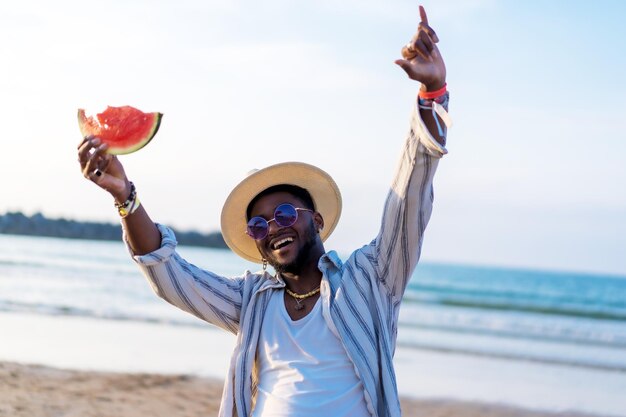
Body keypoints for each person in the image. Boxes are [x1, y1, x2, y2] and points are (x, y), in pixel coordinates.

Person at [77, 5, 450, 417]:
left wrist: (430, 96)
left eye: (286, 214)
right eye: (259, 224)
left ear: (316, 220)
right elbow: (172, 277)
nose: (274, 227)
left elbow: (408, 201)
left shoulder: (370, 278)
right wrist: (125, 197)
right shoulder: (251, 300)